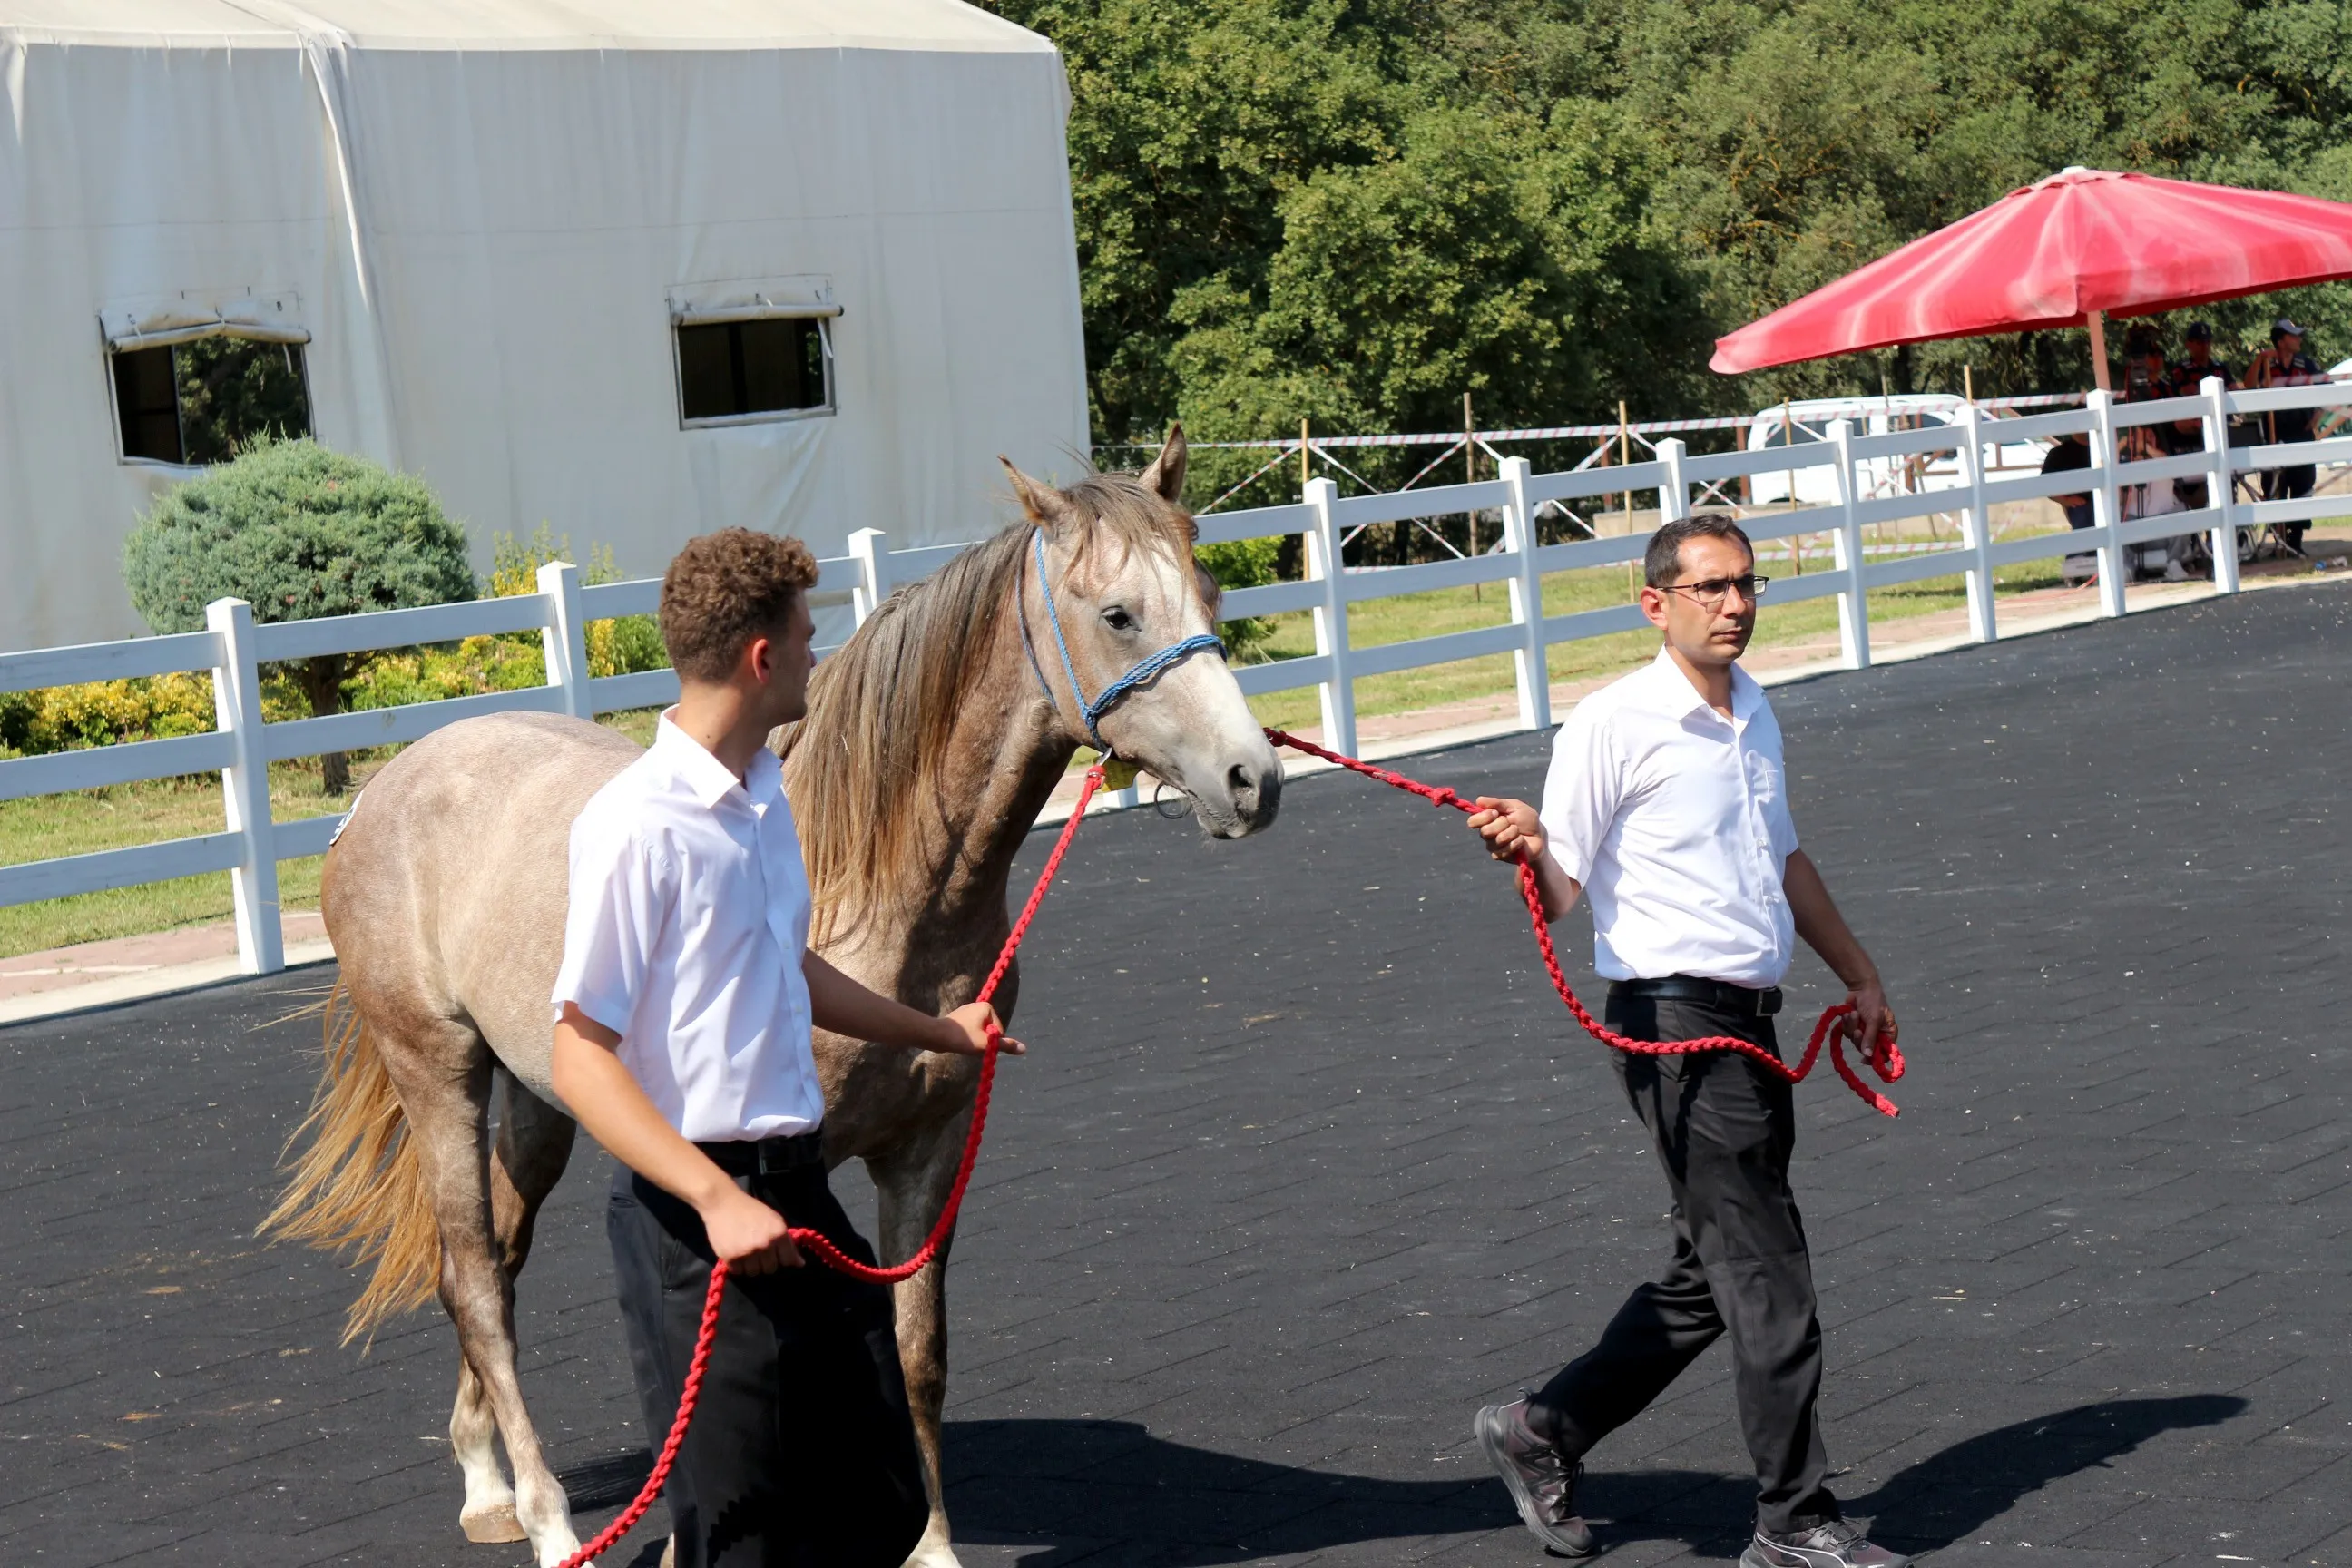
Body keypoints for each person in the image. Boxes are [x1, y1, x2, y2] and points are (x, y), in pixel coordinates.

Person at [549, 527, 1016, 1568]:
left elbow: (788, 969)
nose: (821, 654)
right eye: (810, 637)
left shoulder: (764, 795)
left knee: (882, 1498)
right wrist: (715, 1204)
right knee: (742, 1540)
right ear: (763, 658)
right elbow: (579, 1053)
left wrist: (942, 1030)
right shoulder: (636, 825)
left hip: (797, 1188)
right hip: (693, 1214)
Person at [1465, 514, 1906, 1568]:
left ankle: (1541, 1429)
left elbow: (1785, 857)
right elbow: (1565, 887)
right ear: (1654, 601)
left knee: (1714, 1275)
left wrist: (1859, 974)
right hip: (1675, 1026)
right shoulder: (1615, 723)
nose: (1736, 605)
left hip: (1753, 1021)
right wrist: (1528, 845)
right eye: (1710, 587)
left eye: (1747, 585)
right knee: (1770, 1279)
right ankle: (1793, 1523)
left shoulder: (1754, 709)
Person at [2247, 318, 2322, 554]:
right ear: (2280, 341)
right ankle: (2278, 541)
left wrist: (2317, 417)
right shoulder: (2267, 365)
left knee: (2302, 485)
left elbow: (2326, 385)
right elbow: (2249, 386)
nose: (2299, 339)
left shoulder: (2305, 363)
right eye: (2293, 336)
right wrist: (2260, 359)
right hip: (2274, 432)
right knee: (2275, 486)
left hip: (2301, 431)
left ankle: (2295, 541)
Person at [2041, 429, 2099, 586]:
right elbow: (2045, 487)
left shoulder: (2102, 449)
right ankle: (2075, 566)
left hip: (2106, 501)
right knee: (2085, 513)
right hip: (2079, 506)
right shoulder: (2059, 453)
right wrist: (2066, 500)